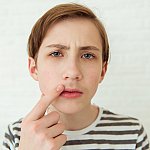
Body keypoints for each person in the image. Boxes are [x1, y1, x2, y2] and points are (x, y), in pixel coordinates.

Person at [2, 3, 149, 150]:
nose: (73, 73)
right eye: (56, 53)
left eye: (87, 55)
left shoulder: (132, 134)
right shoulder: (18, 135)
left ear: (102, 71)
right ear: (34, 68)